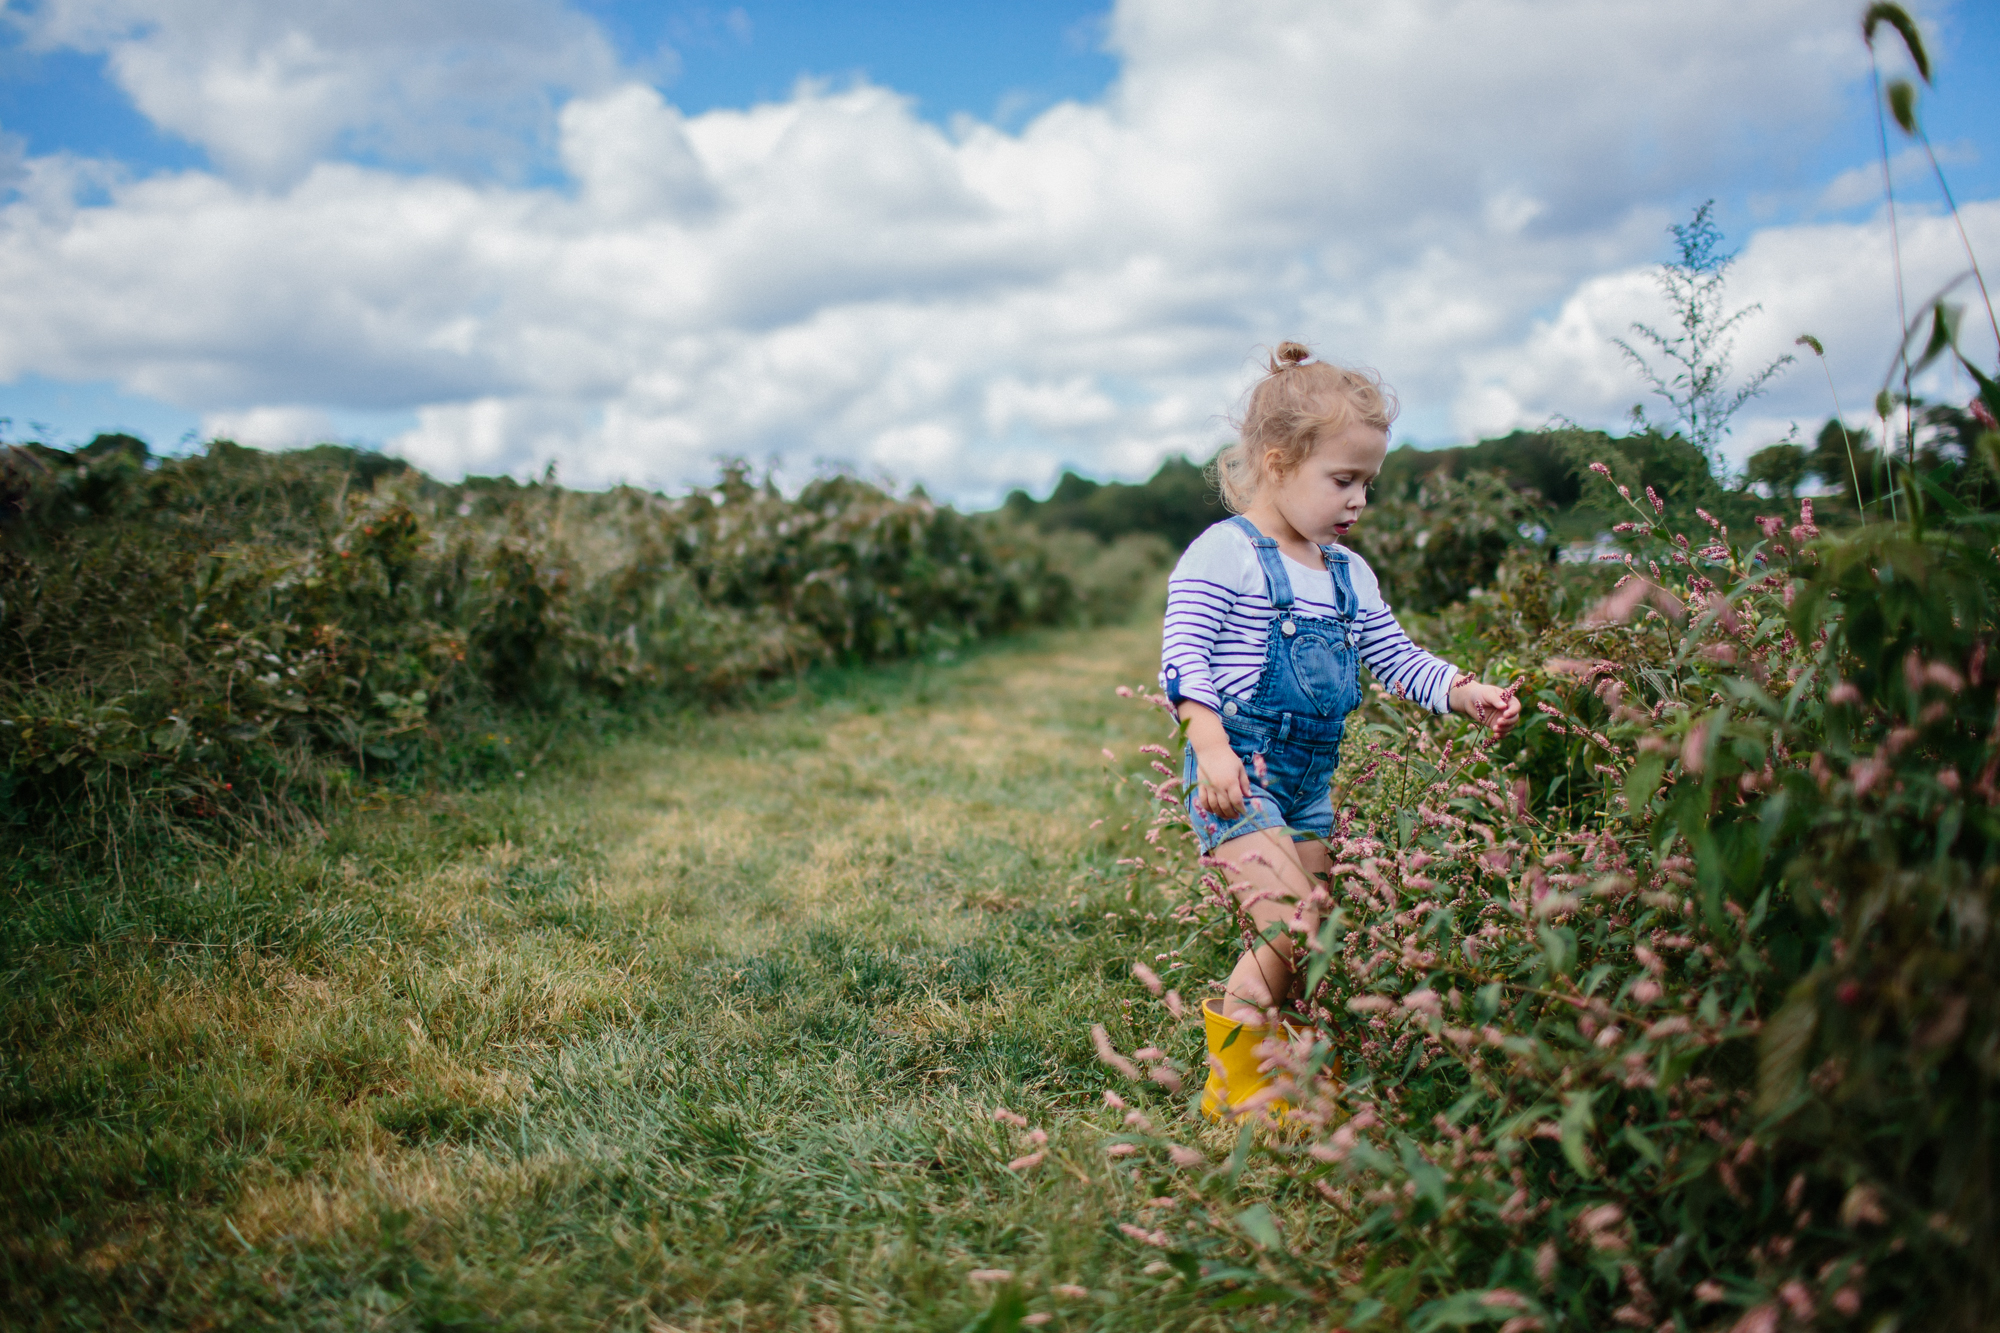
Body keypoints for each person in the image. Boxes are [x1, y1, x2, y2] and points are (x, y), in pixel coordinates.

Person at [1159, 342, 1520, 1119]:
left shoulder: (1349, 574)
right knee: (1292, 922)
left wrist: (1462, 690)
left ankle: (1281, 1067)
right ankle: (1239, 1089)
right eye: (1342, 479)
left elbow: (1394, 656)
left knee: (1306, 938)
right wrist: (1211, 749)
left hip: (1306, 785)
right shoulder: (1225, 554)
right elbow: (1183, 659)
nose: (1358, 500)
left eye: (1367, 483)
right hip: (1238, 776)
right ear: (1278, 463)